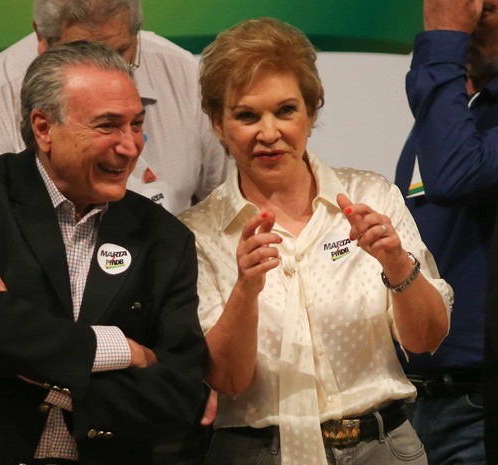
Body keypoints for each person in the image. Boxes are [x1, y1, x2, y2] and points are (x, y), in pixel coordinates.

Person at [0, 41, 206, 465]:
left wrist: (44, 369)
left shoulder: (165, 237)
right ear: (43, 128)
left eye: (136, 124)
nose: (131, 146)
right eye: (108, 126)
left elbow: (182, 392)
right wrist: (119, 349)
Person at [178, 17, 454, 465]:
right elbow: (226, 379)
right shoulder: (196, 232)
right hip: (256, 452)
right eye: (247, 115)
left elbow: (426, 339)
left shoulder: (372, 195)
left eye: (286, 110)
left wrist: (398, 264)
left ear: (311, 111)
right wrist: (246, 290)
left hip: (383, 446)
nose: (269, 133)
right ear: (217, 123)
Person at [0, 0, 226, 215]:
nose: (107, 73)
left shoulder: (183, 75)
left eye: (120, 52)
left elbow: (224, 210)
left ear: (136, 31)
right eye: (82, 54)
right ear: (42, 39)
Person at [394, 0, 498, 463]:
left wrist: (443, 37)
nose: (469, 25)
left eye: (486, 11)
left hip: (480, 409)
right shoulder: (452, 114)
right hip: (413, 401)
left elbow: (457, 176)